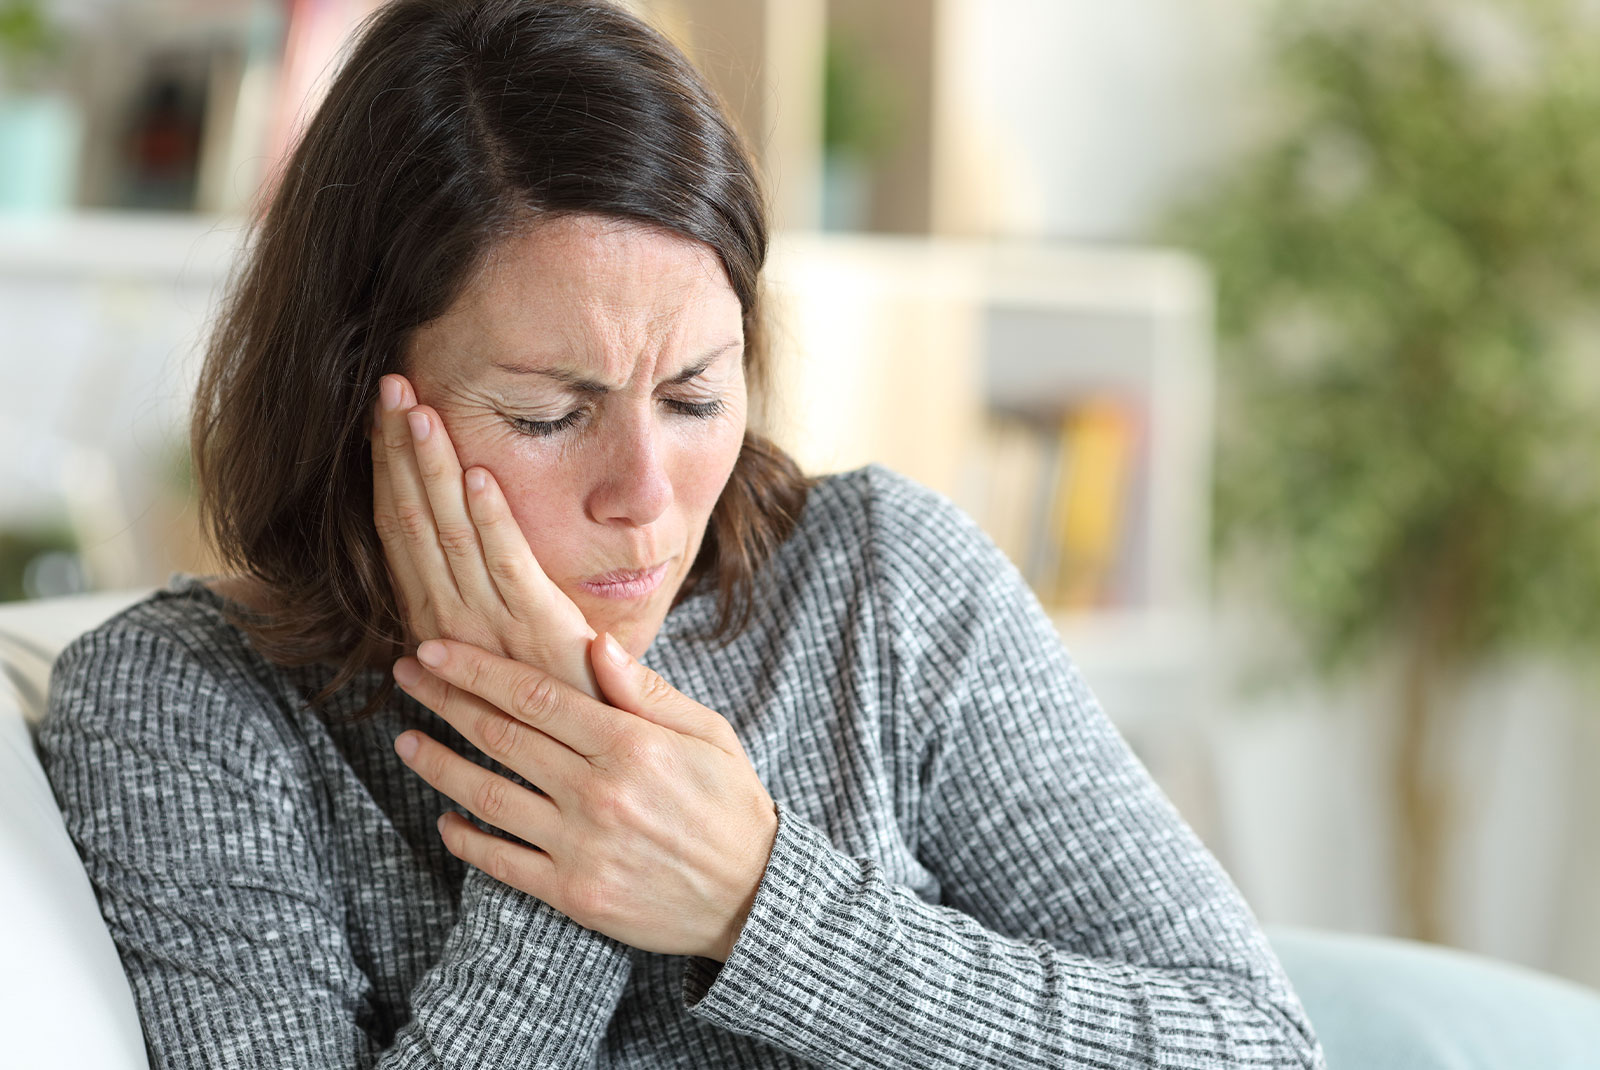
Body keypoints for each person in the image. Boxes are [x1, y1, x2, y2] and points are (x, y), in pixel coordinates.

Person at [38, 0, 1325, 1066]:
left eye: (697, 394)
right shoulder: (191, 708)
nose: (648, 489)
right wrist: (573, 833)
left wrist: (758, 901)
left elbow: (1258, 1046)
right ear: (358, 397)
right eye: (551, 414)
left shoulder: (882, 583)